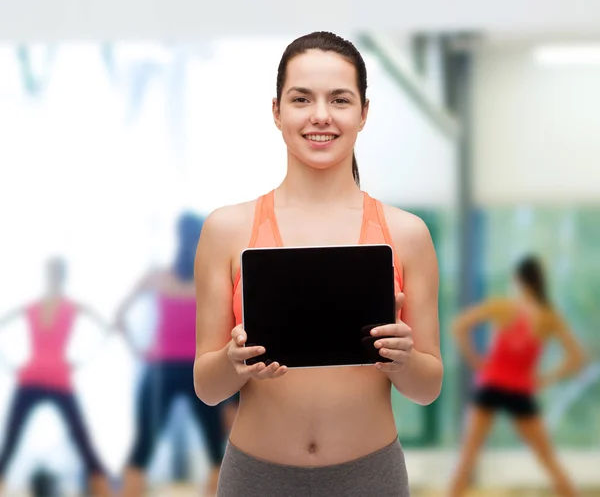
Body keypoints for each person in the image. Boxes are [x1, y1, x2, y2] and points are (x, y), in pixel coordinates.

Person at [192, 31, 443, 497]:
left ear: (364, 113)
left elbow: (428, 387)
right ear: (276, 111)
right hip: (256, 479)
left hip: (370, 478)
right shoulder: (226, 229)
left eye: (340, 99)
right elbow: (207, 387)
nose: (320, 116)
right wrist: (234, 362)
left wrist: (402, 359)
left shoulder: (407, 235)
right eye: (302, 99)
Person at [449, 255, 586, 497]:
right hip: (520, 390)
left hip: (491, 385)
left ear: (518, 279)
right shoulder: (548, 316)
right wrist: (546, 378)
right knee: (548, 460)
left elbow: (458, 325)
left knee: (467, 458)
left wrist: (476, 362)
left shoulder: (503, 306)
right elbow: (577, 357)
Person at [117, 212, 232, 497]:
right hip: (191, 369)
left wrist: (138, 349)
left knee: (145, 446)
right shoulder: (209, 279)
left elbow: (120, 315)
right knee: (214, 449)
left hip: (172, 368)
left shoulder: (161, 277)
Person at [0, 257, 113, 497]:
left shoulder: (71, 306)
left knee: (85, 446)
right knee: (8, 446)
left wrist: (82, 360)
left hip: (58, 380)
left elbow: (106, 327)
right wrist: (10, 364)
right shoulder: (33, 306)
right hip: (30, 379)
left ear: (61, 276)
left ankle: (104, 491)